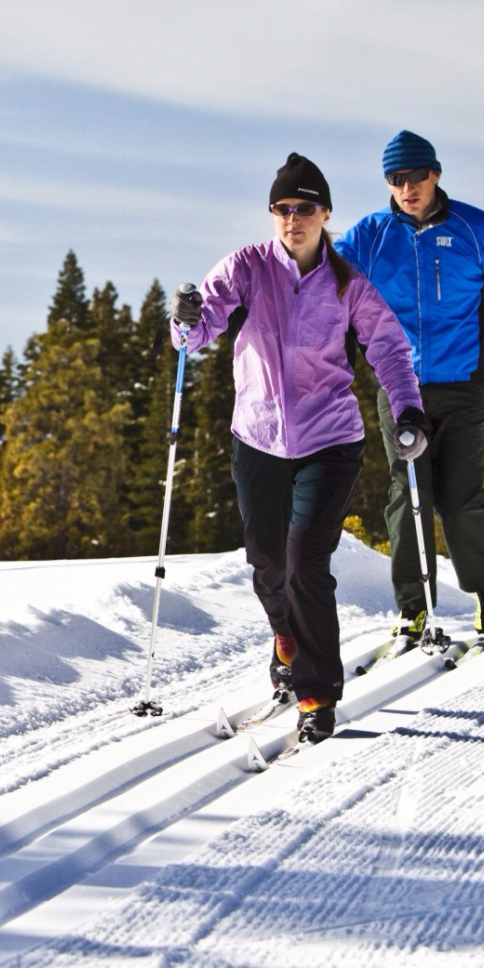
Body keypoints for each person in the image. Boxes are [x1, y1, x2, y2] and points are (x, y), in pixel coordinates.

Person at [169, 152, 425, 745]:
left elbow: (387, 347)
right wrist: (183, 320)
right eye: (282, 209)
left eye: (304, 208)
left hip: (329, 439)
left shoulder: (346, 282)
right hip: (257, 436)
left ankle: (316, 694)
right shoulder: (247, 268)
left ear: (325, 213)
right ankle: (284, 639)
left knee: (306, 560)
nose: (292, 218)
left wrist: (408, 407)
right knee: (267, 565)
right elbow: (201, 325)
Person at [334, 129, 484, 643]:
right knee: (408, 493)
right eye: (395, 179)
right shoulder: (371, 235)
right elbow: (320, 276)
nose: (407, 187)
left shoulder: (478, 229)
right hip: (397, 385)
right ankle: (413, 607)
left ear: (436, 174)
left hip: (463, 384)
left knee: (459, 496)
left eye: (415, 177)